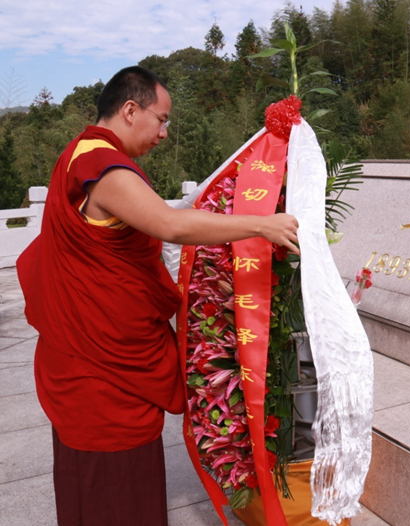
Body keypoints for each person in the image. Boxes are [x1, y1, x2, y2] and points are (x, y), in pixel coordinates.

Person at [16, 66, 299, 526]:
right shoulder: (100, 163)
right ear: (131, 110)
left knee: (100, 487)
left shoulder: (86, 155)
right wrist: (262, 225)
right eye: (162, 119)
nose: (164, 133)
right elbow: (169, 225)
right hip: (100, 368)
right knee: (114, 486)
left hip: (99, 350)